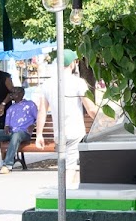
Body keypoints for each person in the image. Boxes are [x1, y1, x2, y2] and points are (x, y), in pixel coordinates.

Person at [36, 50, 98, 185]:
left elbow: (42, 111)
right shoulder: (78, 83)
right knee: (72, 168)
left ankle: (67, 195)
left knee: (65, 166)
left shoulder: (47, 84)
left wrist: (39, 134)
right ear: (73, 63)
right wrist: (104, 122)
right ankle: (65, 197)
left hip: (58, 133)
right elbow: (91, 109)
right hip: (75, 131)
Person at [0, 87, 37, 174]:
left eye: (15, 92)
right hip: (11, 132)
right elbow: (7, 123)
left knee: (16, 135)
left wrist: (33, 125)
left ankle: (7, 165)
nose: (12, 94)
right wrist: (6, 126)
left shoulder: (30, 105)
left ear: (21, 94)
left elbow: (38, 118)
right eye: (12, 92)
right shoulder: (11, 107)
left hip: (23, 132)